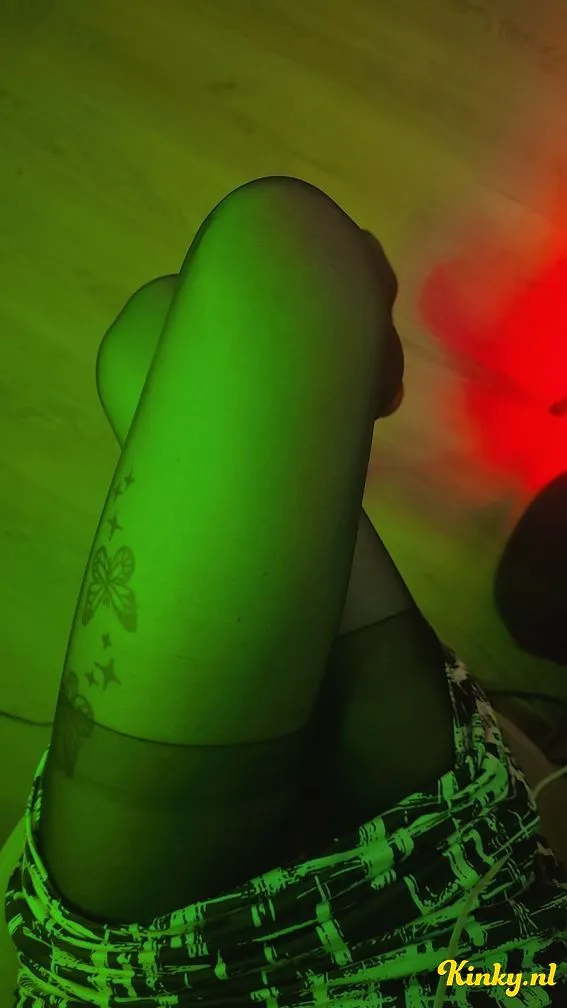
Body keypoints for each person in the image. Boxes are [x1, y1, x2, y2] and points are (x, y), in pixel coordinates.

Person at [4, 177, 567, 1007]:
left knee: (163, 332)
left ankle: (358, 364)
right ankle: (356, 362)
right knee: (274, 267)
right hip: (478, 953)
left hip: (172, 982)